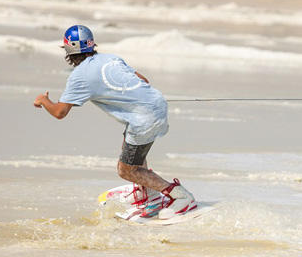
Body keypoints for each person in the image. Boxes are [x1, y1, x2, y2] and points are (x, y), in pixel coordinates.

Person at [33, 24, 196, 219]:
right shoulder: (110, 58)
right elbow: (143, 80)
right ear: (92, 44)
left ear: (67, 50)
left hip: (144, 119)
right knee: (131, 146)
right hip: (156, 104)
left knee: (126, 170)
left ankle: (180, 197)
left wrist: (43, 100)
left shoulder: (78, 77)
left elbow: (60, 112)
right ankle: (148, 194)